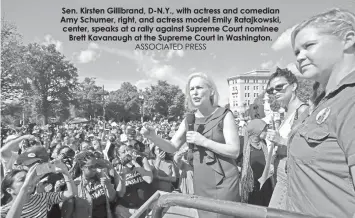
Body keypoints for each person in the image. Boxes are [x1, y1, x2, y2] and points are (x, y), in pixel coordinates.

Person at [285, 8, 355, 217]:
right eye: (296, 52)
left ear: (348, 40)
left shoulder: (350, 100)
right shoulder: (324, 102)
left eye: (309, 46)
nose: (300, 57)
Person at [141, 72, 240, 218]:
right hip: (201, 181)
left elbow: (235, 151)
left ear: (211, 91)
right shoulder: (189, 119)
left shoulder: (225, 114)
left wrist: (204, 142)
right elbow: (172, 146)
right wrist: (154, 137)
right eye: (191, 89)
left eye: (199, 88)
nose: (194, 92)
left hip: (225, 181)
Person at [264, 68, 309, 209]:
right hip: (282, 170)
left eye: (279, 87)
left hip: (290, 173)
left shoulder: (302, 110)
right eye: (271, 90)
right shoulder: (287, 112)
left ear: (294, 86)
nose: (275, 92)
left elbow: (307, 147)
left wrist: (281, 140)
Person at [1, 161, 76, 218]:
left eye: (28, 178)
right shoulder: (4, 211)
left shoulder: (41, 197)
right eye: (22, 180)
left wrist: (65, 172)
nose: (28, 181)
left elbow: (70, 193)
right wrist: (25, 186)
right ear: (10, 190)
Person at [240, 119, 273, 206]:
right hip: (251, 186)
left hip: (265, 183)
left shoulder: (263, 143)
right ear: (256, 131)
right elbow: (235, 161)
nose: (266, 132)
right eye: (264, 130)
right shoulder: (244, 144)